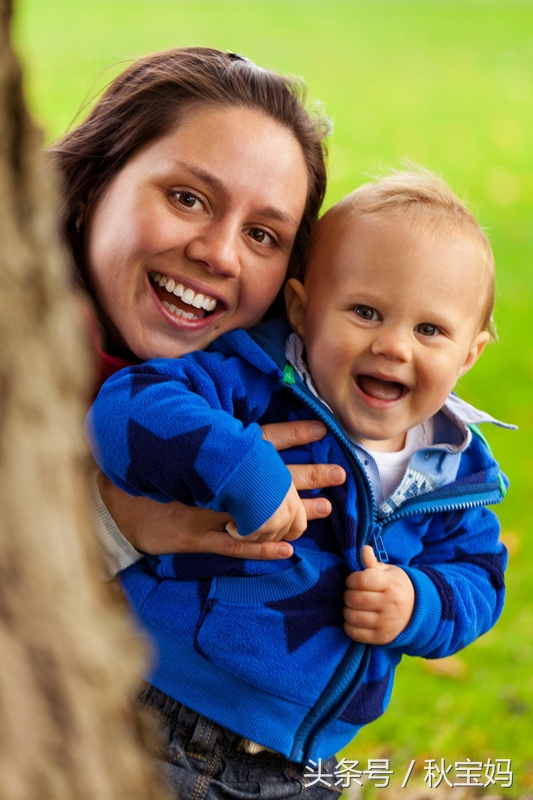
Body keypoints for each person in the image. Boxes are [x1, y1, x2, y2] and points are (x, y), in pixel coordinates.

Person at [88, 168, 512, 794]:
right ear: (302, 309)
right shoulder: (254, 387)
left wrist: (418, 604)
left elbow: (481, 578)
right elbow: (127, 408)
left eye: (429, 331)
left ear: (469, 354)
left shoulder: (455, 470)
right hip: (153, 708)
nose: (394, 347)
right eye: (365, 312)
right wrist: (238, 463)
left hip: (303, 770)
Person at [52, 46, 349, 798]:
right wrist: (111, 522)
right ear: (95, 185)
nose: (217, 253)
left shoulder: (265, 391)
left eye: (262, 236)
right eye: (187, 198)